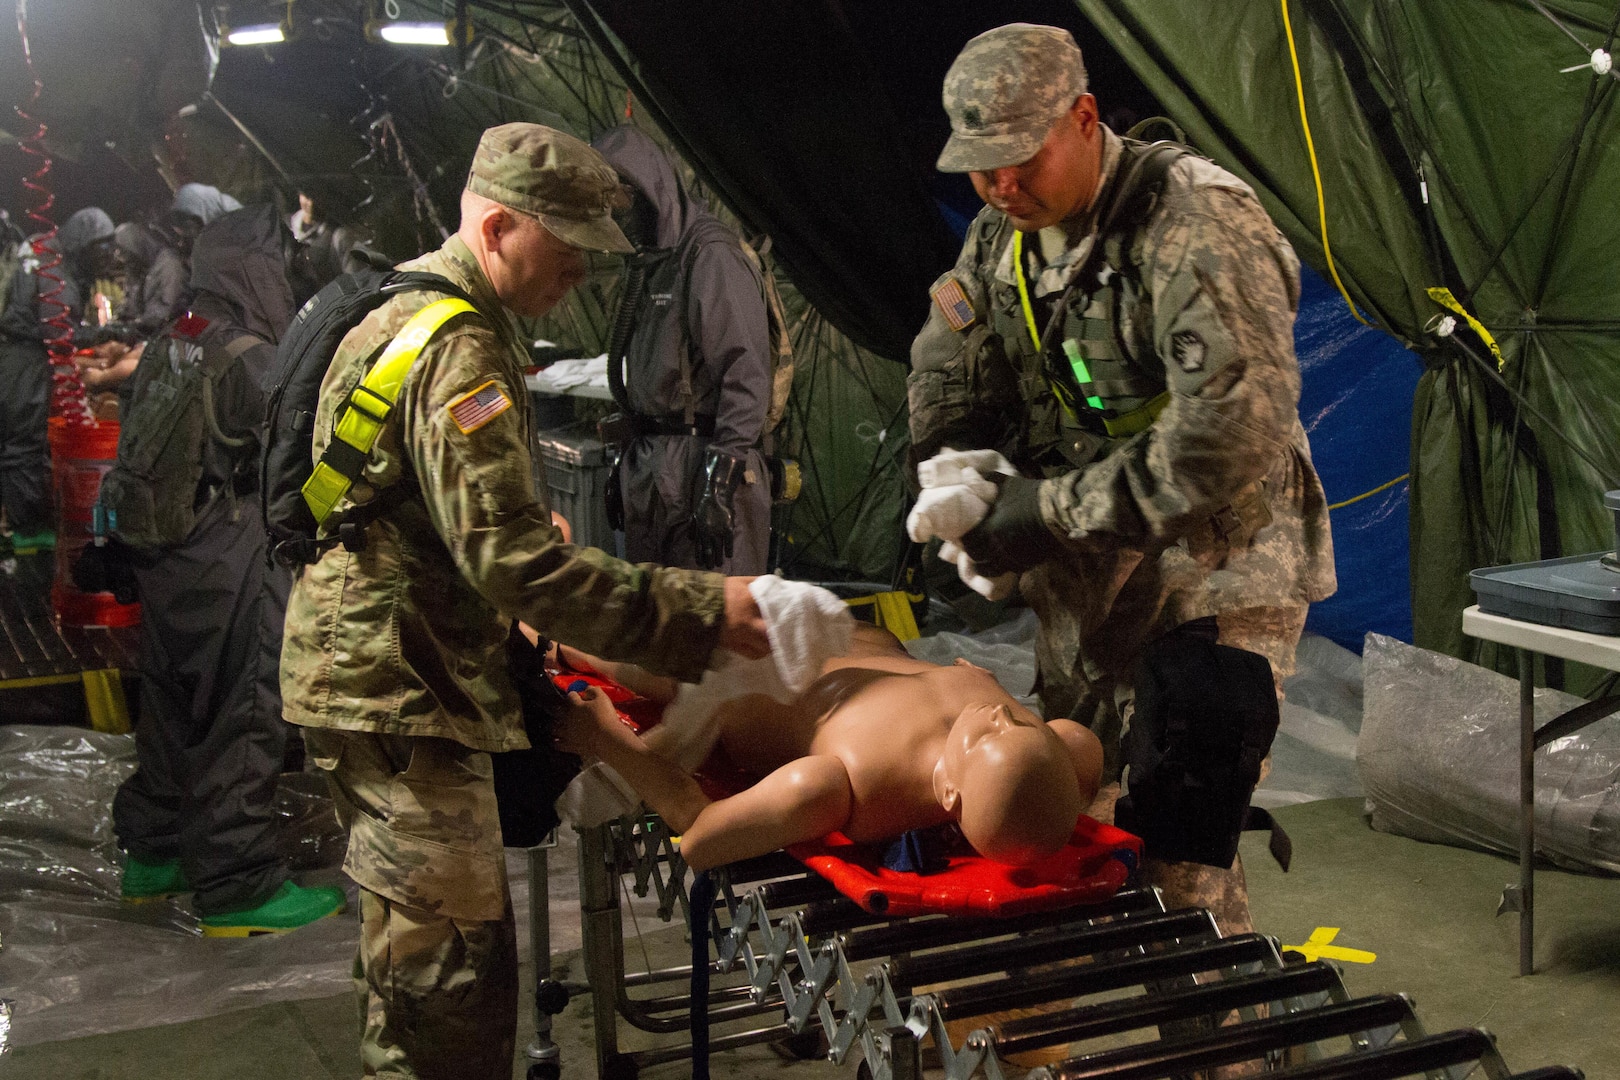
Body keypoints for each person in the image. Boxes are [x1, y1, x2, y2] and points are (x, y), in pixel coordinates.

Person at [279, 122, 771, 1080]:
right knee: (449, 999)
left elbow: (443, 515)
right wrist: (698, 612)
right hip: (399, 687)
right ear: (500, 227)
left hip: (383, 669)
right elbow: (514, 569)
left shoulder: (417, 309)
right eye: (570, 250)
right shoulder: (456, 350)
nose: (582, 277)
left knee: (417, 970)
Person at [907, 24, 1335, 936]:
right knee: (1082, 820)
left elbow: (1231, 431)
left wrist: (1045, 511)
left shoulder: (1195, 222)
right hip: (1094, 572)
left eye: (1019, 158)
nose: (1000, 185)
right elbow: (951, 361)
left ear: (1086, 118)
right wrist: (956, 470)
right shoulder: (1001, 238)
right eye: (980, 167)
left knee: (1178, 829)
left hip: (1221, 562)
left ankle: (1224, 1048)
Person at [110, 204, 344, 934]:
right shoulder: (249, 357)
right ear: (257, 270)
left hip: (164, 555)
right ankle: (240, 886)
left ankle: (154, 854)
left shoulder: (172, 339)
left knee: (171, 711)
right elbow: (303, 462)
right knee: (243, 713)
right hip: (229, 554)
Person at [554, 624, 1103, 871]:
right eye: (1020, 723)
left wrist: (609, 739)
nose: (1001, 713)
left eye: (988, 735)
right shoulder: (1065, 750)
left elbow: (699, 834)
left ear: (950, 793)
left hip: (735, 679)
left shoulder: (838, 786)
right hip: (861, 644)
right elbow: (1072, 753)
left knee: (630, 646)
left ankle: (541, 632)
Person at [591, 125, 773, 573]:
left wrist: (720, 482)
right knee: (657, 622)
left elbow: (746, 372)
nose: (617, 221)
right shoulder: (651, 263)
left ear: (649, 190)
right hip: (655, 467)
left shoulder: (709, 256)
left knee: (719, 623)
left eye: (620, 205)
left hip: (702, 465)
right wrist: (624, 461)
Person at [0, 206, 116, 552]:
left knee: (14, 441)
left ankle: (19, 526)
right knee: (22, 444)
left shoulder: (38, 248)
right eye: (102, 248)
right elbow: (60, 333)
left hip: (13, 356)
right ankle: (27, 535)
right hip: (24, 361)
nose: (108, 256)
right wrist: (113, 333)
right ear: (83, 243)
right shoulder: (55, 271)